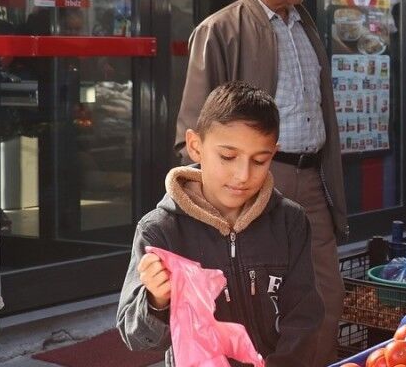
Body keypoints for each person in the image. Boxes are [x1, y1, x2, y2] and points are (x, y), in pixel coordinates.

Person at [174, 0, 346, 363]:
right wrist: (213, 201)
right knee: (256, 305)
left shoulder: (305, 27)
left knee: (325, 297)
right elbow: (191, 133)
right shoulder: (219, 31)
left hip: (313, 179)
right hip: (254, 182)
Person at [118, 81, 323, 365]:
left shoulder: (290, 222)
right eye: (228, 156)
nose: (243, 175)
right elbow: (136, 337)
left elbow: (304, 317)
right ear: (195, 146)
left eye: (259, 161)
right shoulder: (160, 230)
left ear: (273, 154)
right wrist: (156, 300)